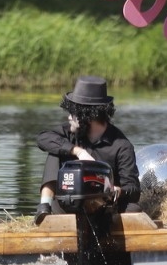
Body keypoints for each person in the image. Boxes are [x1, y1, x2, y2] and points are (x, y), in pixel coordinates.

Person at [34, 75, 141, 225]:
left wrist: (118, 190)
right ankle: (44, 207)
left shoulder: (122, 146)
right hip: (69, 204)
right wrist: (77, 151)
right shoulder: (69, 132)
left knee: (133, 209)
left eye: (73, 112)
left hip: (102, 207)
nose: (69, 118)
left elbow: (134, 188)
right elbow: (43, 138)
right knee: (56, 149)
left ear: (87, 116)